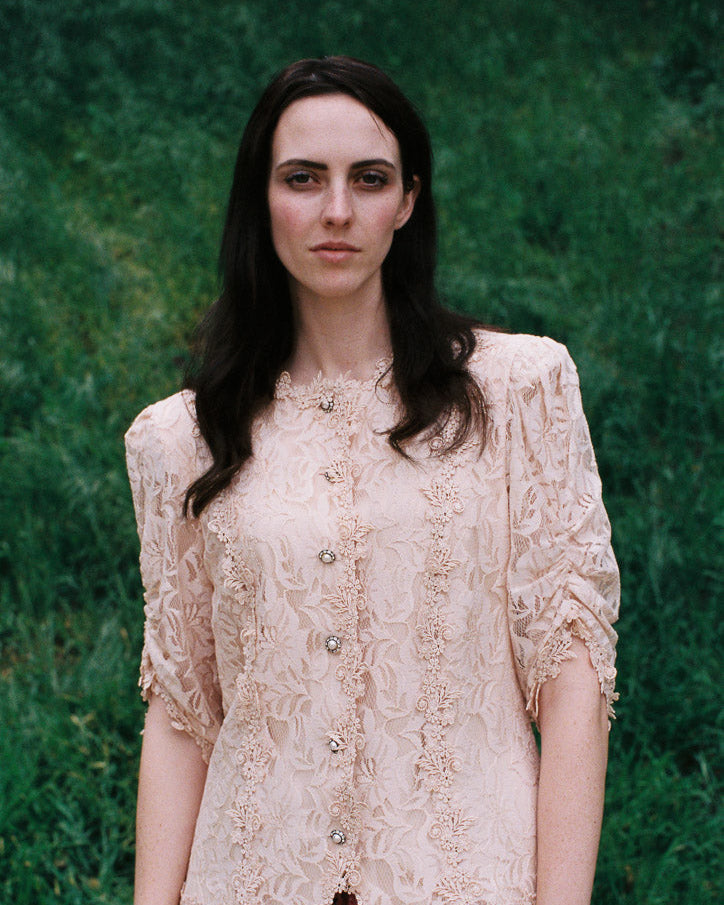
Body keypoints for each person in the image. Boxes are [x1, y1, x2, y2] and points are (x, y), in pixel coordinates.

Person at [125, 56, 619, 905]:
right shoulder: (178, 440)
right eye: (304, 178)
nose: (338, 210)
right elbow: (180, 717)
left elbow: (573, 671)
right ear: (262, 198)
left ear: (409, 200)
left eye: (370, 178)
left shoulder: (520, 390)